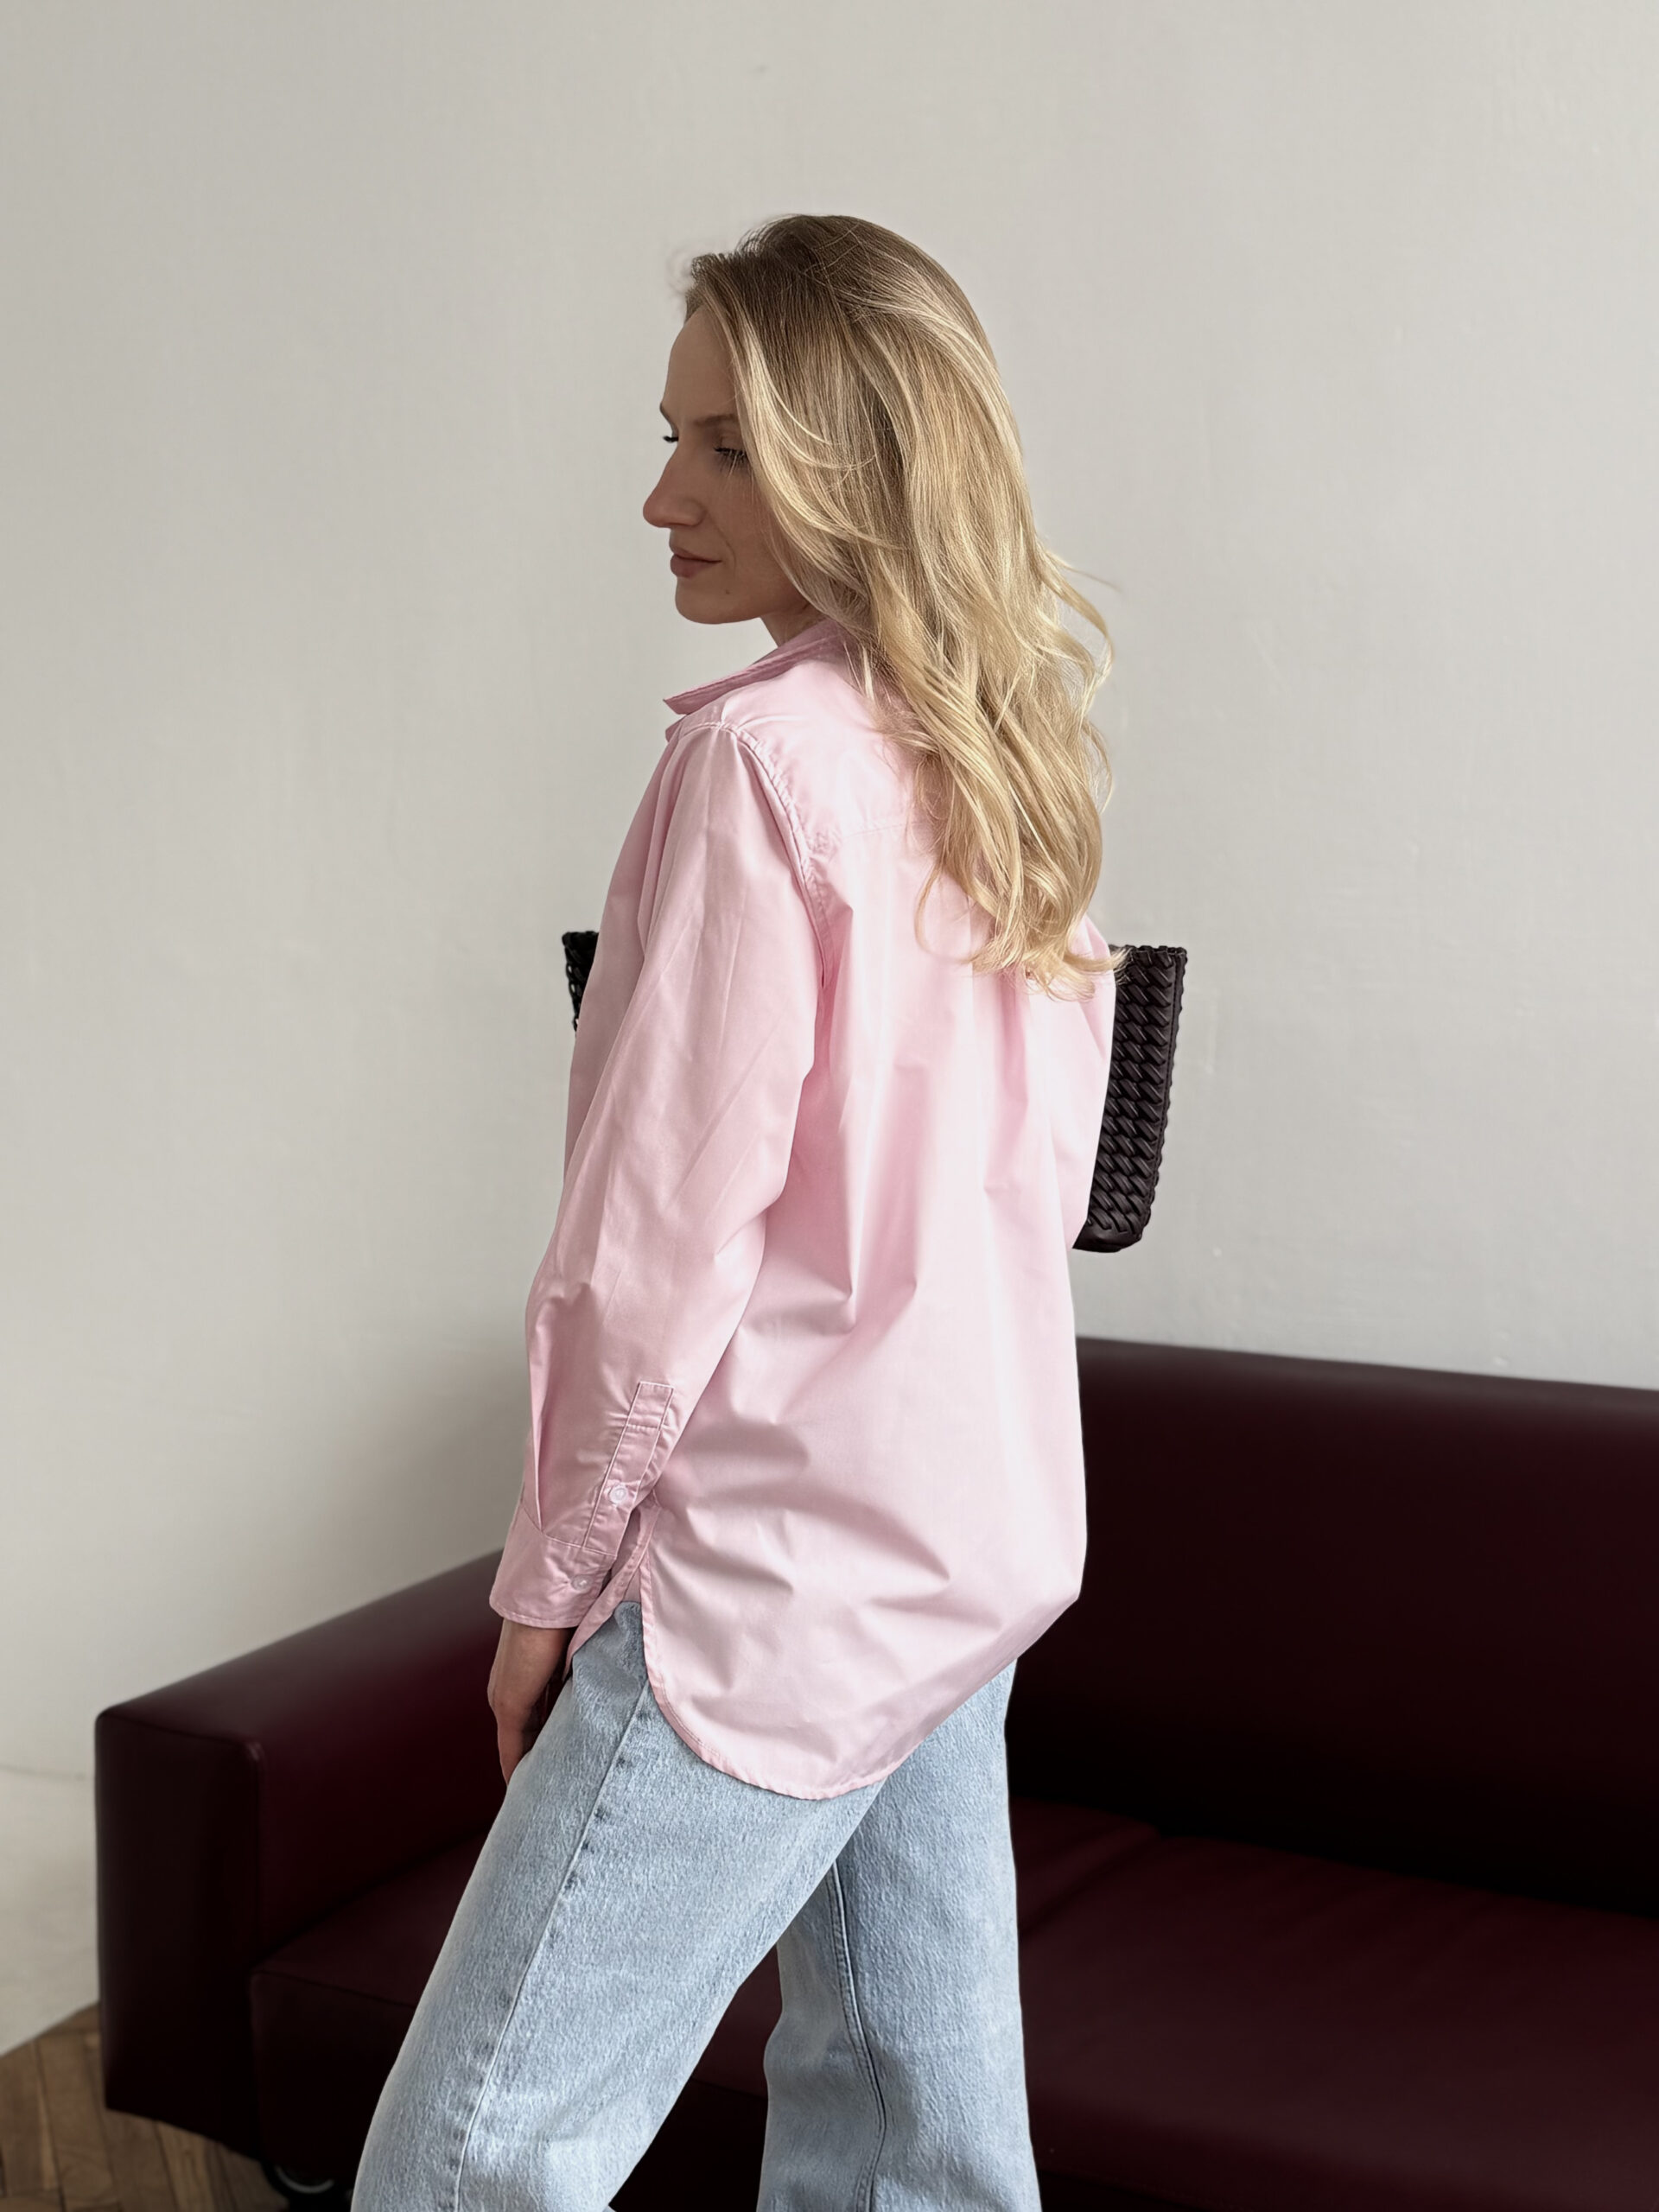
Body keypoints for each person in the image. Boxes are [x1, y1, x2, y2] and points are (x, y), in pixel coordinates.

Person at [353, 213, 1117, 2212]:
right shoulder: (1001, 757)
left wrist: (547, 1584)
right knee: (914, 2147)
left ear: (852, 464)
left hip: (772, 1581)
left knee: (470, 2156)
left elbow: (651, 1251)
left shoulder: (763, 764)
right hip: (959, 1549)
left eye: (723, 446)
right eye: (672, 437)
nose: (661, 497)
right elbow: (1030, 1197)